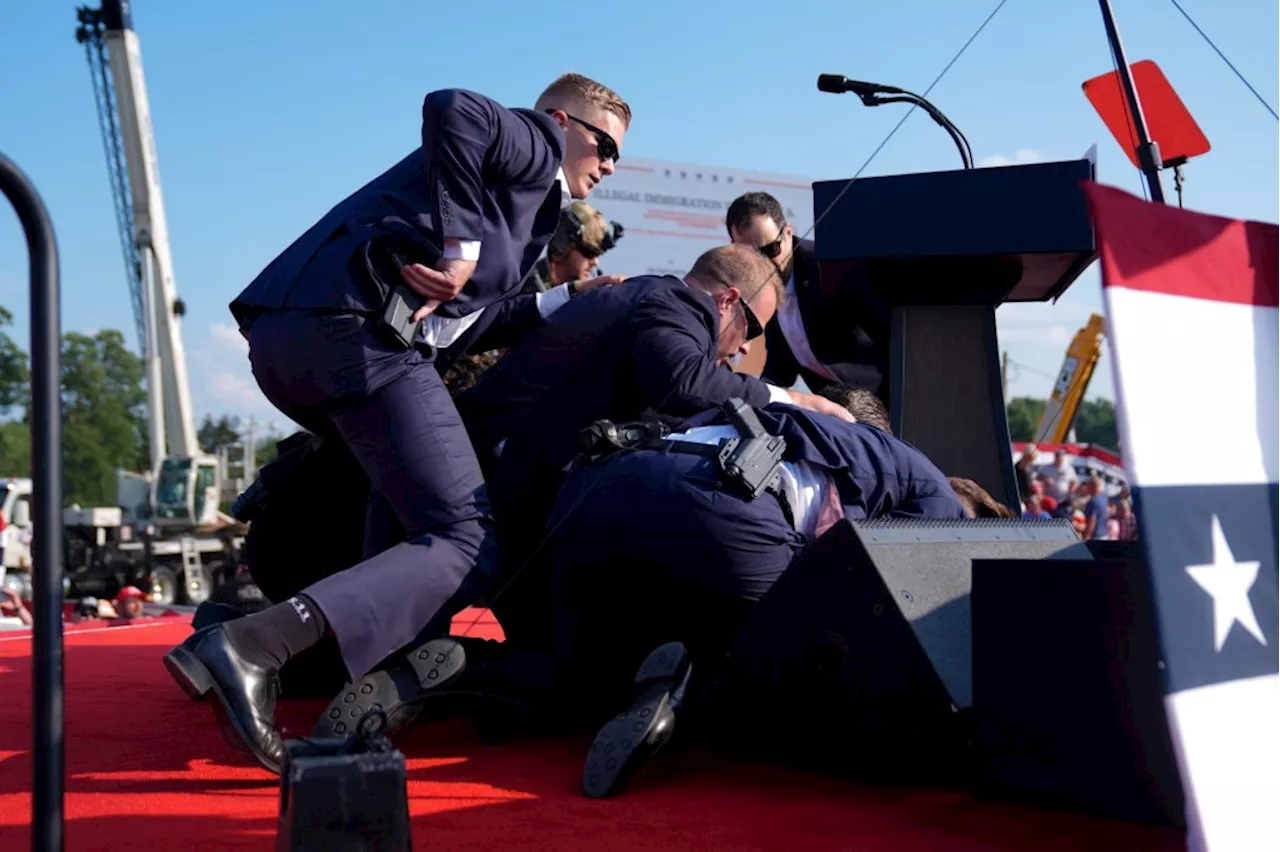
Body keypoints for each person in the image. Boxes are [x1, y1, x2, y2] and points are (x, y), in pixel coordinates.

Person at [163, 73, 633, 775]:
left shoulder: (528, 205)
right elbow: (453, 108)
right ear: (563, 122)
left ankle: (312, 657)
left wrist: (565, 299)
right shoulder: (534, 144)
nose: (610, 166)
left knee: (409, 509)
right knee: (466, 539)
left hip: (297, 335)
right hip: (354, 334)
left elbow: (457, 325)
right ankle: (251, 648)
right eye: (605, 146)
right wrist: (462, 245)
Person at [438, 200, 627, 391]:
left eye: (598, 254)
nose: (594, 261)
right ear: (563, 244)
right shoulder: (519, 289)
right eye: (588, 251)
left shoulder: (577, 299)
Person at [726, 191, 887, 395]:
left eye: (770, 250)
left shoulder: (828, 266)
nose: (762, 263)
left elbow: (888, 330)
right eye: (749, 255)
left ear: (788, 232)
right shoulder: (760, 287)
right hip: (834, 402)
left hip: (883, 394)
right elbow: (782, 364)